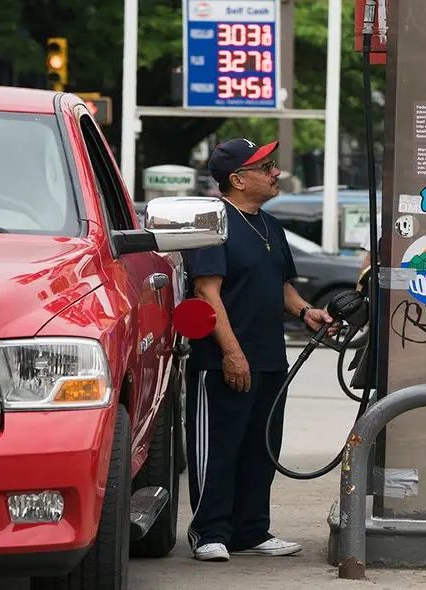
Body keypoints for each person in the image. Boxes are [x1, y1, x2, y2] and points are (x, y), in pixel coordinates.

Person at [184, 138, 338, 562]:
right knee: (220, 448)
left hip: (271, 357)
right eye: (265, 166)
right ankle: (209, 531)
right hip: (222, 361)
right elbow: (207, 292)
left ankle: (251, 531)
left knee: (260, 448)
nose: (276, 173)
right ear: (236, 179)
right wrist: (232, 354)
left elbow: (282, 286)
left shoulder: (268, 224)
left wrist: (308, 312)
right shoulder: (211, 222)